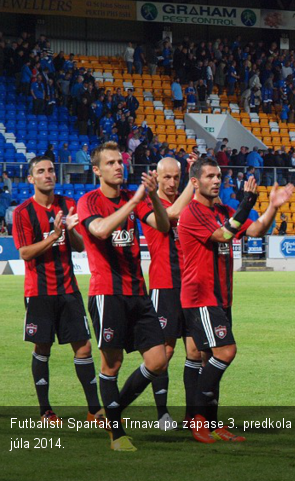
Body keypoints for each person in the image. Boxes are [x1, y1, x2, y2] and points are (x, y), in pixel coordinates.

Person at [179, 158, 294, 444]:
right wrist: (247, 201)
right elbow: (223, 235)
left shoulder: (222, 210)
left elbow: (254, 231)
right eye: (209, 176)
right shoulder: (192, 212)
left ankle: (213, 424)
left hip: (221, 297)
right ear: (195, 182)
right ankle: (196, 418)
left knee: (210, 360)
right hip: (200, 297)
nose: (216, 180)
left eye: (218, 176)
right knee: (225, 352)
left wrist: (272, 207)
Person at [77, 141, 171, 451]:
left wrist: (153, 197)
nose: (118, 166)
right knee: (112, 365)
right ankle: (117, 436)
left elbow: (163, 224)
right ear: (97, 170)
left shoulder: (134, 197)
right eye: (111, 163)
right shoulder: (88, 201)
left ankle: (111, 410)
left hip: (138, 293)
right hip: (107, 293)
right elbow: (101, 230)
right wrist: (133, 204)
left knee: (158, 360)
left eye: (120, 161)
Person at [12, 157, 104, 425]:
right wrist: (53, 235)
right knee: (43, 347)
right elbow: (24, 253)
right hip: (39, 292)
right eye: (41, 171)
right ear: (31, 179)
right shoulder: (22, 212)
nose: (48, 174)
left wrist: (71, 231)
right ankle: (46, 412)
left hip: (68, 289)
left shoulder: (68, 205)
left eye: (51, 170)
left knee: (84, 348)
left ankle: (94, 410)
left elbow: (78, 247)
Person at [140, 156, 198, 429]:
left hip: (191, 284)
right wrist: (193, 180)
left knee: (196, 351)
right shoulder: (151, 205)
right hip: (164, 286)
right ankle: (162, 414)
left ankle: (192, 415)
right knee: (164, 352)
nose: (173, 182)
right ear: (157, 177)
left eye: (177, 177)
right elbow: (171, 214)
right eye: (167, 177)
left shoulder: (187, 204)